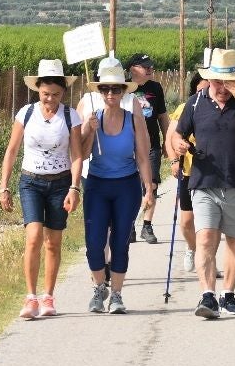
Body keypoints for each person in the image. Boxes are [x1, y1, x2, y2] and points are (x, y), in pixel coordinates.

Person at [173, 49, 235, 319]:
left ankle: (228, 294)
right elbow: (177, 134)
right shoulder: (195, 102)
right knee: (205, 237)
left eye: (229, 82)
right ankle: (207, 295)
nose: (222, 88)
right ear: (209, 80)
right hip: (204, 182)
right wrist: (178, 145)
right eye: (217, 82)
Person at [0, 59, 83, 319]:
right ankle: (30, 297)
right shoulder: (26, 113)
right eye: (46, 94)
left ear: (63, 92)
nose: (50, 99)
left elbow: (77, 155)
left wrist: (74, 188)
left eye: (56, 94)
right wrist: (4, 186)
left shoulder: (70, 116)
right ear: (37, 89)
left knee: (53, 242)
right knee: (34, 236)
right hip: (31, 182)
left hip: (60, 184)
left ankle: (48, 296)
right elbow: (12, 150)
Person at [79, 59, 154, 314]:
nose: (110, 93)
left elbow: (142, 156)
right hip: (97, 185)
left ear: (123, 91)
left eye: (115, 89)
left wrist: (148, 189)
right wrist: (89, 130)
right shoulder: (94, 117)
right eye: (105, 89)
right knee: (94, 242)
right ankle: (99, 287)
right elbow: (82, 154)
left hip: (126, 186)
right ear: (99, 92)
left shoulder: (133, 119)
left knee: (120, 241)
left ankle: (117, 295)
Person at [165, 75, 209, 273]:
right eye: (200, 91)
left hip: (211, 173)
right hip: (189, 171)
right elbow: (170, 138)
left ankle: (207, 260)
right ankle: (192, 248)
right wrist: (174, 160)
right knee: (186, 221)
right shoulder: (185, 108)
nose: (204, 94)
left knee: (209, 224)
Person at [127, 53, 169, 244]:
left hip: (151, 145)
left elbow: (162, 117)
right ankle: (129, 225)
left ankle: (147, 225)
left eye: (151, 66)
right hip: (128, 146)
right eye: (146, 67)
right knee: (131, 186)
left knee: (151, 185)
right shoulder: (124, 88)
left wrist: (167, 141)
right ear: (133, 69)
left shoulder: (155, 88)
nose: (150, 69)